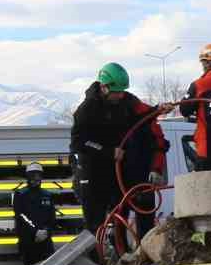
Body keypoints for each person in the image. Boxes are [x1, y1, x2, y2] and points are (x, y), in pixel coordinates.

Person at [70, 62, 169, 237]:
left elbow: (139, 120)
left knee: (120, 215)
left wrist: (157, 110)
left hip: (115, 171)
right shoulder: (87, 110)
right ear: (104, 87)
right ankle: (96, 259)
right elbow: (79, 142)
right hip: (92, 171)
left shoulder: (126, 101)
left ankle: (121, 256)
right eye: (117, 92)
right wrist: (108, 151)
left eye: (123, 91)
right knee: (95, 222)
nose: (120, 95)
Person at [12, 161, 58, 265]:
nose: (35, 178)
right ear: (28, 176)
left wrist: (46, 230)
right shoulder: (20, 194)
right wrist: (35, 231)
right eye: (33, 175)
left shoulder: (47, 195)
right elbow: (20, 215)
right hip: (28, 239)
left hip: (45, 240)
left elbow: (52, 216)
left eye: (38, 175)